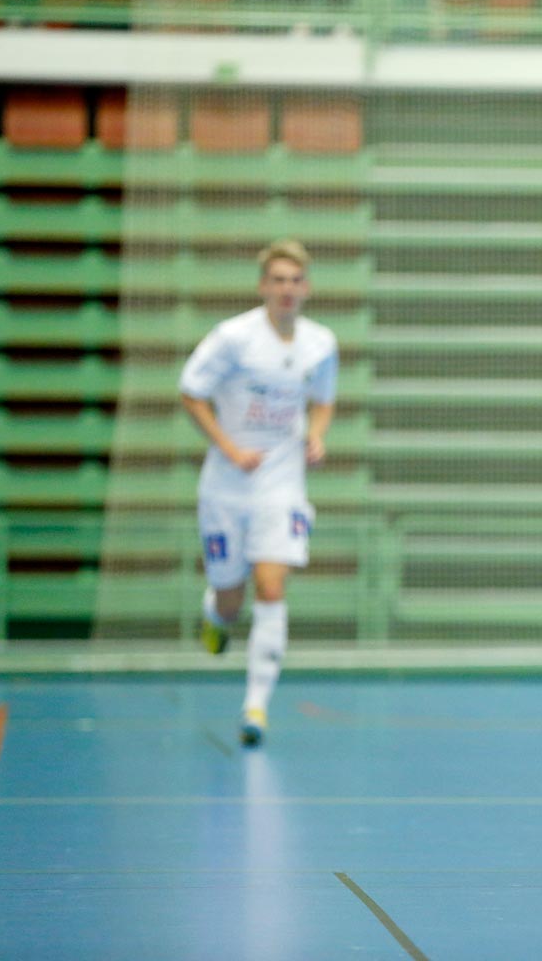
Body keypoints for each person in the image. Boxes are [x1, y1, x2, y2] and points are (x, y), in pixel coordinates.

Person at [179, 240, 338, 748]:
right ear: (263, 286)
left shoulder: (320, 343)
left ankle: (256, 706)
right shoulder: (233, 338)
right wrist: (228, 447)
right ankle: (216, 616)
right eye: (278, 280)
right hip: (227, 486)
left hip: (281, 483)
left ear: (306, 287)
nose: (287, 289)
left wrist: (316, 434)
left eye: (296, 280)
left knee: (271, 585)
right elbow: (190, 391)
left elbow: (324, 401)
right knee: (231, 594)